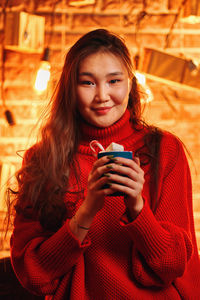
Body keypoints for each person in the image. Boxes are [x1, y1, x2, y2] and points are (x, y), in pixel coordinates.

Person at [9, 29, 200, 299]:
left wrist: (136, 206)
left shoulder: (164, 150)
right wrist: (87, 210)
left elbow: (174, 266)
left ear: (131, 84)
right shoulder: (43, 159)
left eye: (114, 81)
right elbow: (33, 273)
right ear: (70, 88)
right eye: (87, 83)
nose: (102, 96)